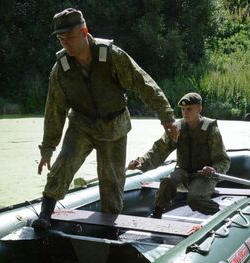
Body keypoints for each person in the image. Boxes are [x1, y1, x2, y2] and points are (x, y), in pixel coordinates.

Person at [33, 7, 179, 230]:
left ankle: (110, 225)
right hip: (81, 124)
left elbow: (144, 83)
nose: (66, 44)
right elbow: (54, 110)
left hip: (114, 126)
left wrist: (167, 117)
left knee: (111, 181)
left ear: (84, 31)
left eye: (70, 37)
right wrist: (47, 148)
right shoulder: (61, 69)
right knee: (64, 163)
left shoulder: (111, 56)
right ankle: (45, 214)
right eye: (61, 39)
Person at [128, 92, 230, 217]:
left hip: (204, 176)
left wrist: (214, 169)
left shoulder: (210, 129)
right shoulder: (177, 128)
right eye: (182, 109)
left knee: (194, 198)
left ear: (199, 109)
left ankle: (219, 215)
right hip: (183, 173)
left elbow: (223, 160)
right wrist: (141, 162)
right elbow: (159, 150)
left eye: (189, 109)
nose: (185, 113)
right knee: (167, 182)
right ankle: (157, 213)